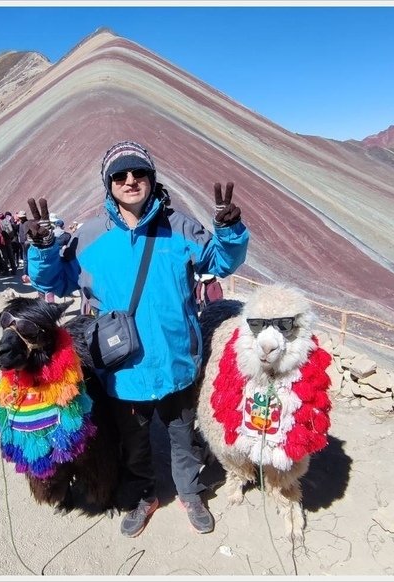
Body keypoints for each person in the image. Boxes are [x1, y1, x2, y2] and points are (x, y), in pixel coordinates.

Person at [24, 140, 249, 537]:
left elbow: (219, 262)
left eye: (139, 172)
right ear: (108, 184)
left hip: (177, 361)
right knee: (134, 443)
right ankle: (145, 495)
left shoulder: (179, 227)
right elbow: (54, 282)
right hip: (122, 369)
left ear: (151, 179)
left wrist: (229, 232)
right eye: (120, 175)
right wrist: (42, 250)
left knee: (183, 437)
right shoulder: (90, 236)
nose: (130, 180)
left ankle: (190, 491)